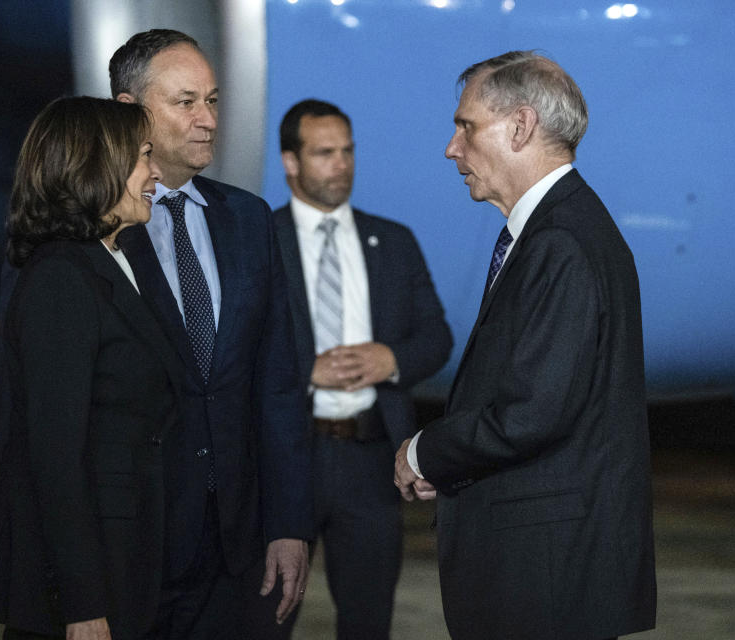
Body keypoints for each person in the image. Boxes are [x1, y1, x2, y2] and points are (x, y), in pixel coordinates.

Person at [394, 51, 657, 639]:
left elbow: (531, 414)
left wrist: (422, 453)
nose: (451, 148)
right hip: (547, 575)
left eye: (465, 126)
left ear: (519, 126)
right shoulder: (561, 230)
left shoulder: (560, 240)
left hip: (546, 583)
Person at [110, 29, 314, 638]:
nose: (208, 120)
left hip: (234, 544)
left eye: (214, 101)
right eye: (186, 102)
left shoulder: (249, 219)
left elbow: (277, 384)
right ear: (129, 111)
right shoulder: (84, 226)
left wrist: (288, 522)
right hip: (130, 539)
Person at [0, 96, 181, 640]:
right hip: (82, 583)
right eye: (143, 156)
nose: (156, 172)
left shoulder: (110, 261)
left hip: (119, 557)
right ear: (95, 166)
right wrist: (82, 603)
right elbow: (54, 457)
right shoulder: (62, 279)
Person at [271, 99, 452, 638]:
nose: (341, 164)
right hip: (285, 459)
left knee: (369, 621)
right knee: (267, 616)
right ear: (290, 162)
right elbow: (230, 347)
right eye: (325, 153)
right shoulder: (257, 240)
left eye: (348, 151)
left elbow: (437, 337)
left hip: (369, 461)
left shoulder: (392, 241)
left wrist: (390, 359)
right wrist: (307, 370)